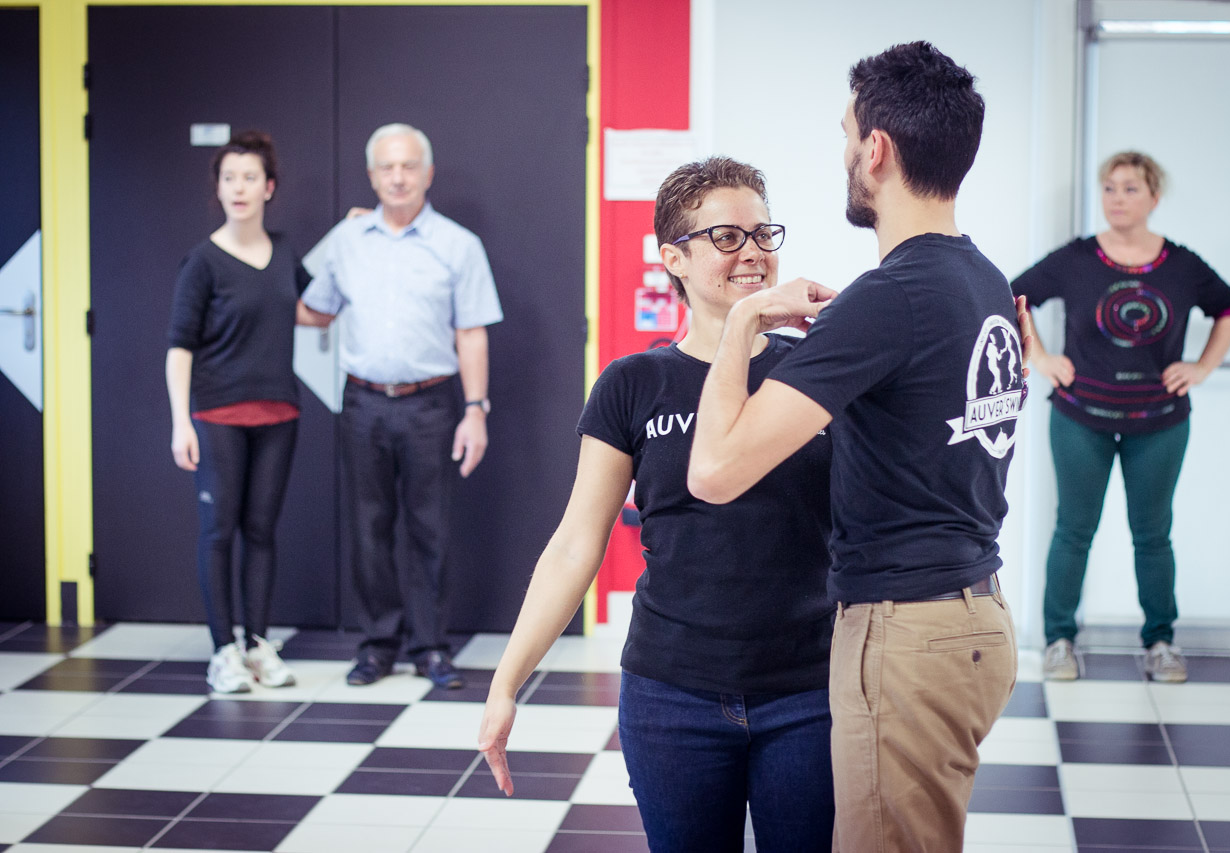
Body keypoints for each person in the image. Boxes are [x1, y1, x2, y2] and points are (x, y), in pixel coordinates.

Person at [687, 43, 1027, 852]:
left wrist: (742, 322)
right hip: (973, 617)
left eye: (846, 134)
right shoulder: (981, 278)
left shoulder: (889, 298)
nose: (844, 151)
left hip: (906, 635)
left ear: (876, 150)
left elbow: (715, 471)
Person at [478, 158, 836, 852]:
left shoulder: (812, 367)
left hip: (807, 689)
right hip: (673, 696)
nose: (753, 252)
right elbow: (575, 544)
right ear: (673, 258)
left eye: (763, 234)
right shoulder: (634, 383)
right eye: (726, 237)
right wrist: (506, 682)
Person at [1012, 151, 1230, 684]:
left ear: (1154, 198)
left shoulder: (1182, 264)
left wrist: (1202, 367)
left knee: (1153, 534)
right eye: (1110, 188)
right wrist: (1041, 359)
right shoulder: (1076, 258)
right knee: (1073, 530)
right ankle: (1059, 641)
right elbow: (1013, 297)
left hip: (1160, 422)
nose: (1117, 198)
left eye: (1131, 188)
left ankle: (1161, 642)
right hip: (1080, 418)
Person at [296, 123, 502, 690]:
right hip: (362, 402)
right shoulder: (347, 241)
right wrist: (276, 279)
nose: (398, 177)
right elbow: (313, 309)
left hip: (430, 404)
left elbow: (472, 333)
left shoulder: (458, 245)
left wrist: (476, 409)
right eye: (387, 167)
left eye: (409, 166)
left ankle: (430, 647)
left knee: (431, 528)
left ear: (427, 174)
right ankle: (377, 646)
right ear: (371, 176)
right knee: (369, 528)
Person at [165, 130, 310, 694]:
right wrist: (181, 421)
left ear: (269, 187)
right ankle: (223, 651)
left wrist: (353, 237)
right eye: (229, 178)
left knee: (261, 531)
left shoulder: (285, 252)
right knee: (219, 531)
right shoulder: (202, 261)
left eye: (250, 177)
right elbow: (179, 346)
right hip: (218, 414)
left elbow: (313, 311)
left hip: (278, 413)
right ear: (219, 189)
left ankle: (257, 645)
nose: (239, 188)